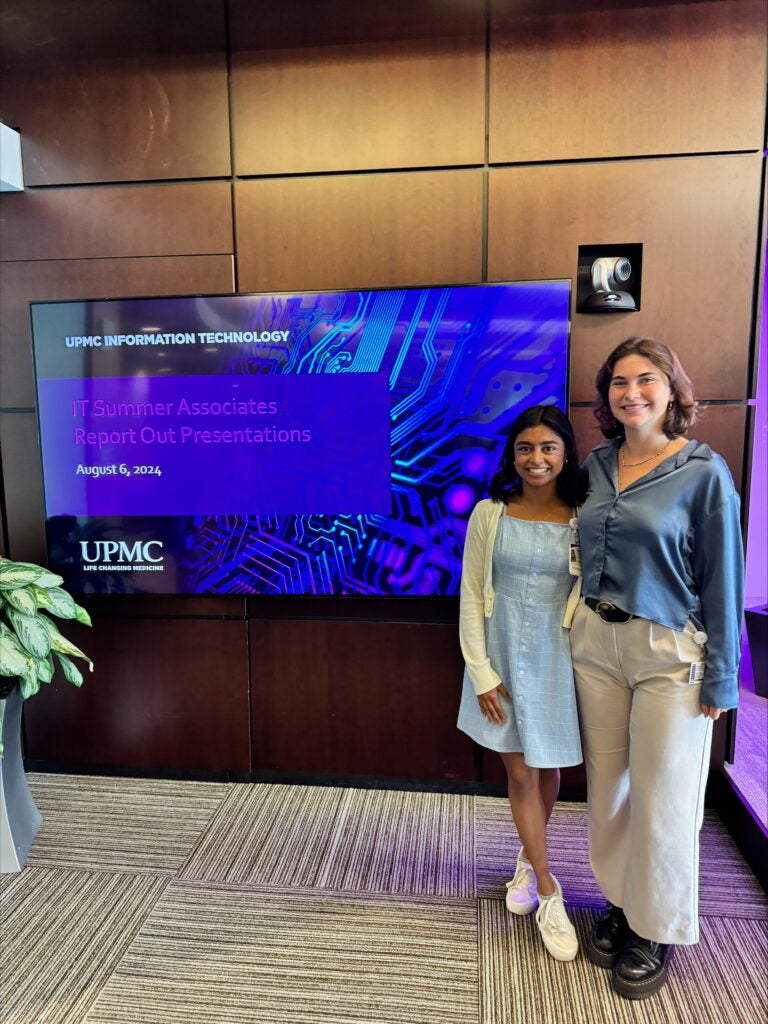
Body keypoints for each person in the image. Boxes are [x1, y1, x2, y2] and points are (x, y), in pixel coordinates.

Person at [571, 337, 744, 999]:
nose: (632, 392)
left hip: (669, 651)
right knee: (610, 788)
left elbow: (723, 577)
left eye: (646, 379)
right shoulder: (595, 464)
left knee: (665, 797)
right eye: (619, 381)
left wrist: (724, 674)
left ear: (672, 389)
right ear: (607, 394)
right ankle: (622, 900)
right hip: (596, 644)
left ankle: (657, 927)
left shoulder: (704, 474)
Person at [458, 404, 588, 961]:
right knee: (518, 769)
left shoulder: (585, 514)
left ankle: (526, 860)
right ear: (513, 456)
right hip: (502, 655)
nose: (537, 459)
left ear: (565, 454)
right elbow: (469, 595)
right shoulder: (490, 513)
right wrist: (481, 672)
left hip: (560, 659)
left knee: (548, 766)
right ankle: (548, 887)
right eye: (526, 449)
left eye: (548, 448)